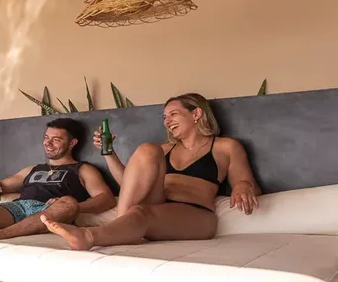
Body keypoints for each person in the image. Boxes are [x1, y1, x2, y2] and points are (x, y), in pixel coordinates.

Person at [43, 93, 260, 250]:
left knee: (141, 213)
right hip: (157, 202)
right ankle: (121, 227)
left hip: (194, 213)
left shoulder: (225, 146)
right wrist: (108, 153)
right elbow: (129, 184)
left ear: (196, 114)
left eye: (173, 114)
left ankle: (89, 236)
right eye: (164, 117)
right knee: (147, 150)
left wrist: (242, 186)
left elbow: (246, 182)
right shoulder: (164, 149)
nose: (167, 121)